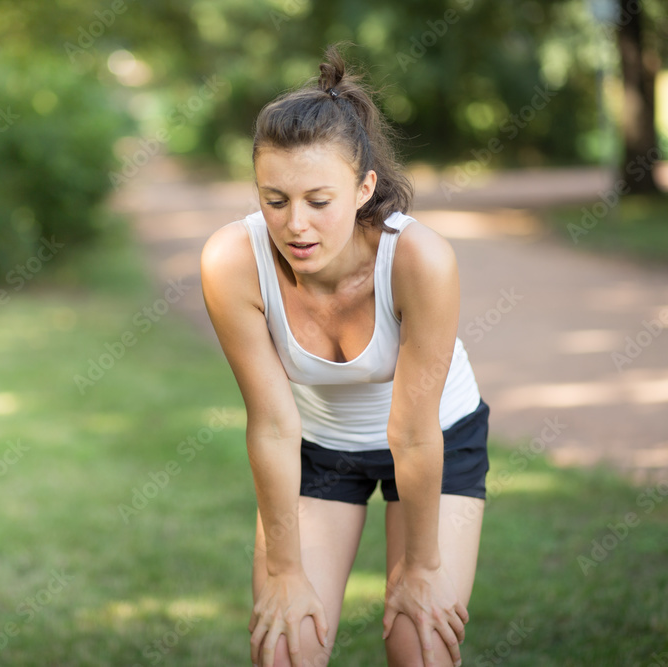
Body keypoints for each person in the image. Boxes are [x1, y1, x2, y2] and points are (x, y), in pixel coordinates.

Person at [200, 44, 490, 667]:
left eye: (318, 201)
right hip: (319, 450)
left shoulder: (419, 261)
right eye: (274, 200)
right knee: (285, 648)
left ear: (363, 188)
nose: (295, 225)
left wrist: (421, 565)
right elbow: (274, 424)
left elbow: (412, 434)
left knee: (419, 646)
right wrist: (282, 568)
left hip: (435, 438)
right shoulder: (232, 262)